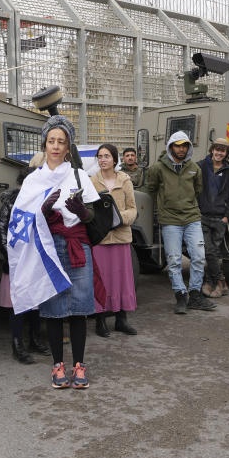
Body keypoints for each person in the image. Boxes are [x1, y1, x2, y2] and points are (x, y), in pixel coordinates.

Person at [20, 114, 99, 389]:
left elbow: (94, 218)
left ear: (68, 147)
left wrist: (83, 212)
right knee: (53, 308)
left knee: (79, 307)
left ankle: (79, 365)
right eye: (51, 141)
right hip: (48, 247)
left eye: (61, 142)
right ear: (44, 144)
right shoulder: (33, 180)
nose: (55, 146)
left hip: (78, 246)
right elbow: (21, 221)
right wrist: (40, 212)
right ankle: (57, 365)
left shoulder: (79, 175)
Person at [145, 131, 217, 314]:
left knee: (199, 257)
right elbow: (151, 189)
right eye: (177, 145)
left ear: (189, 147)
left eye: (185, 145)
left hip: (192, 218)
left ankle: (195, 295)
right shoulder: (157, 168)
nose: (181, 149)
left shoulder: (194, 168)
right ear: (170, 147)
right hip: (169, 220)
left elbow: (198, 190)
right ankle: (180, 295)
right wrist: (163, 206)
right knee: (174, 260)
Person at [0, 167, 48, 363]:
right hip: (17, 262)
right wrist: (11, 256)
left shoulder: (42, 203)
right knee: (18, 306)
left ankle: (35, 339)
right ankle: (17, 345)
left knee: (35, 305)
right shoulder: (10, 204)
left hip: (35, 262)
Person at [90, 143, 138, 337]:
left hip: (121, 236)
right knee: (102, 280)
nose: (103, 159)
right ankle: (100, 321)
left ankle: (121, 320)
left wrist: (120, 220)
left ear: (115, 160)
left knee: (121, 280)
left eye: (107, 156)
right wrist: (102, 222)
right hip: (100, 238)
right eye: (100, 156)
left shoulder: (125, 180)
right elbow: (89, 209)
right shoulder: (91, 181)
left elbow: (132, 208)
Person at [197, 137, 229, 298]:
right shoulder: (201, 166)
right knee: (208, 250)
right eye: (217, 149)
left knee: (213, 252)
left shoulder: (228, 172)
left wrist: (227, 216)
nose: (219, 153)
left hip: (220, 218)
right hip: (203, 216)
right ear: (212, 150)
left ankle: (209, 281)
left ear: (226, 154)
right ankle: (220, 281)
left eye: (223, 150)